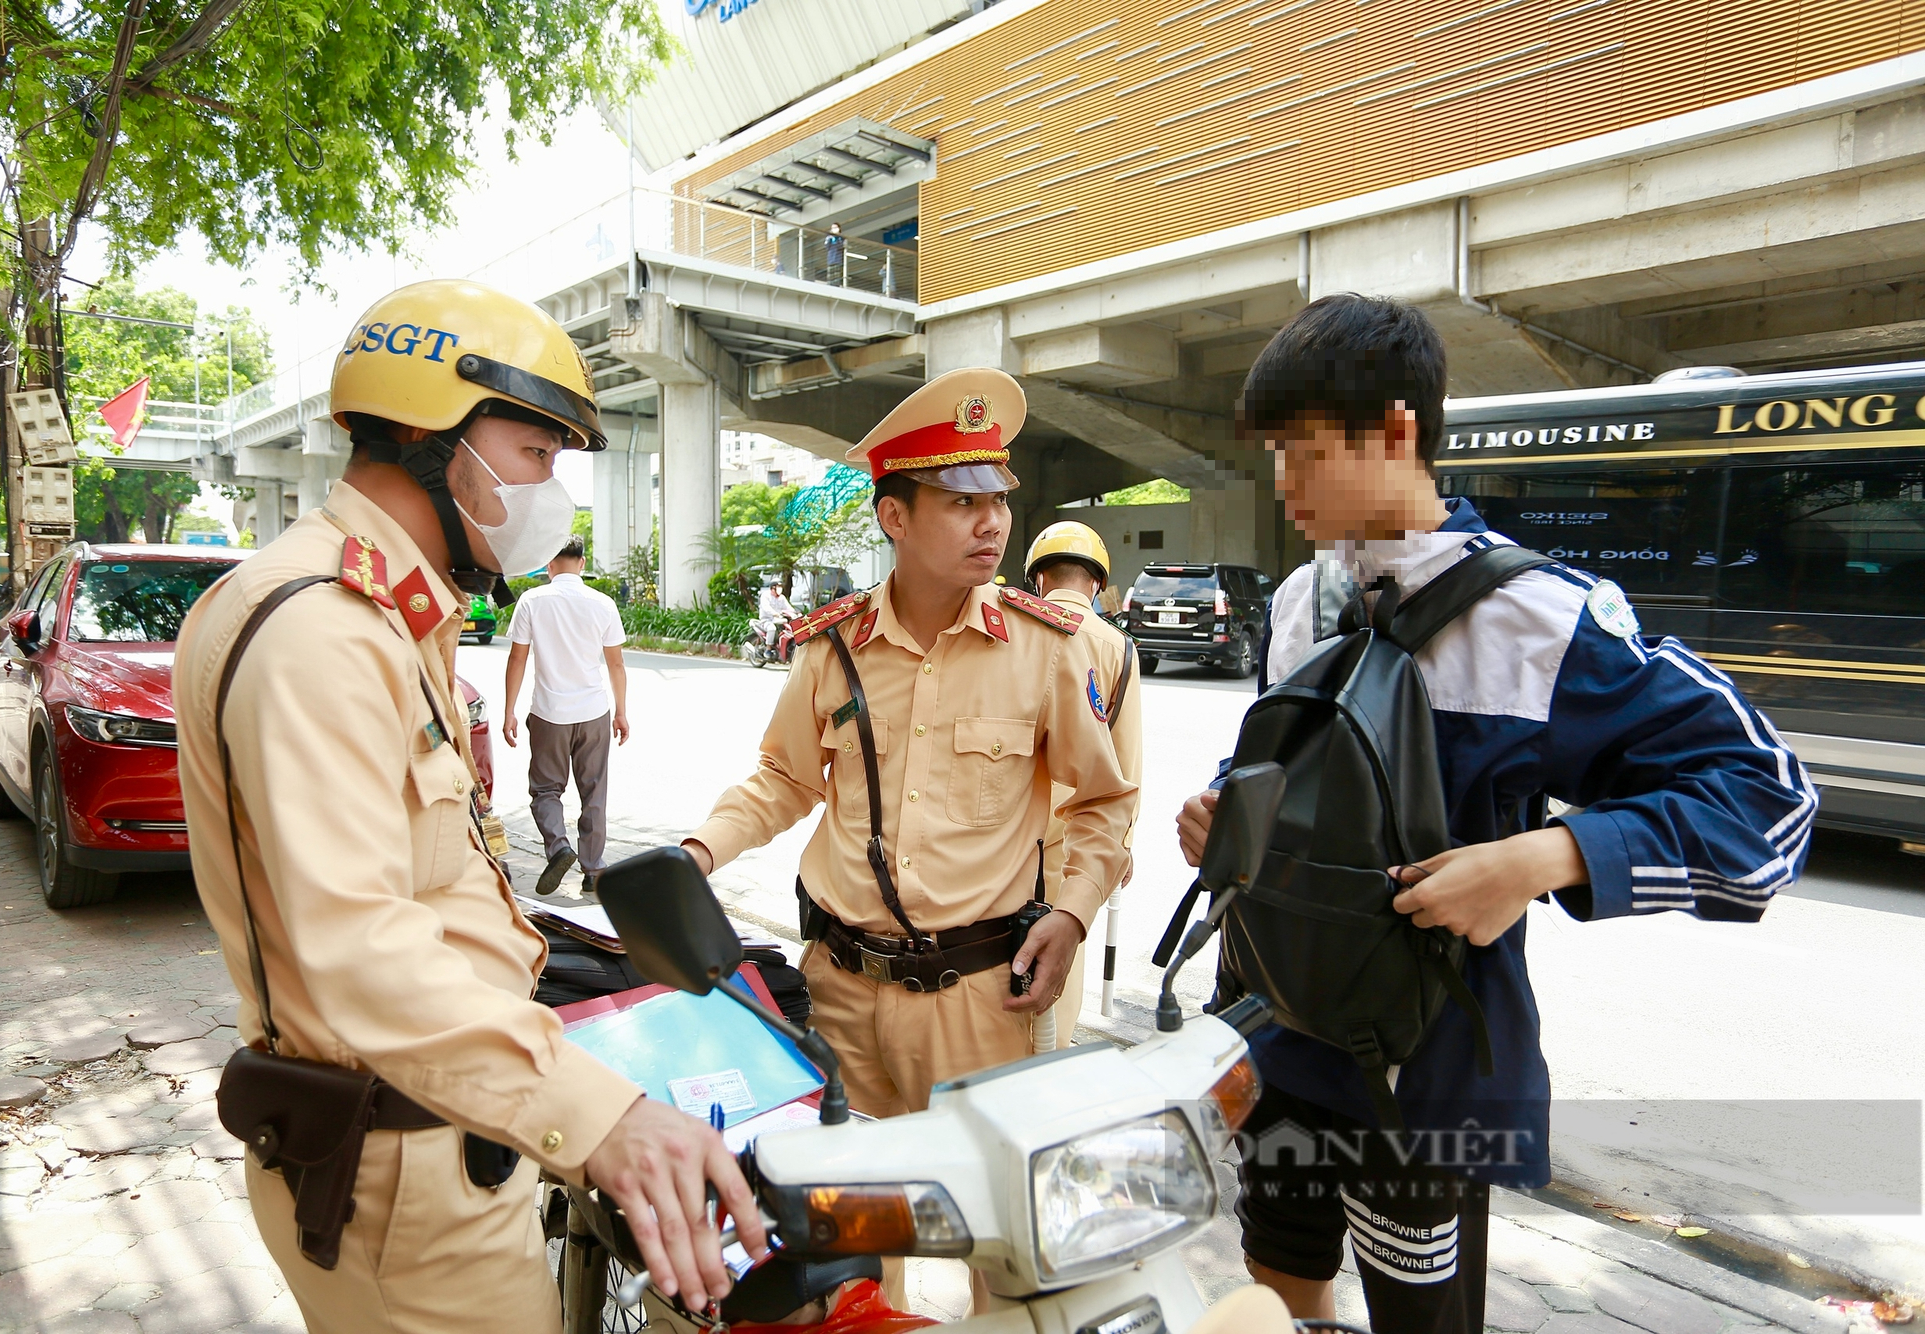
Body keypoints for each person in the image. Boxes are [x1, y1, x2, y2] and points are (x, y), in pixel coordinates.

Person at [1176, 294, 1814, 1333]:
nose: (1281, 483)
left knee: (1418, 1312)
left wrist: (1542, 854)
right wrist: (1223, 811)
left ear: (1394, 431)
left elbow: (1765, 796)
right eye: (1273, 455)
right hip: (1275, 1031)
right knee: (1276, 1276)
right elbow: (1283, 765)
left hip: (1420, 1073)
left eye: (1302, 453)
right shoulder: (1299, 601)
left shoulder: (1539, 621)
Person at [173, 278, 764, 1332]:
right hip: (406, 1178)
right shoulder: (325, 628)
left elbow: (433, 878)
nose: (551, 491)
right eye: (535, 454)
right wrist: (599, 1117)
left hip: (442, 1130)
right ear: (428, 434)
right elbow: (355, 945)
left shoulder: (384, 609)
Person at [681, 368, 1136, 1309]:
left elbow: (1103, 801)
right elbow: (784, 778)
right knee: (855, 1235)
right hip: (841, 990)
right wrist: (699, 854)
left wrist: (1077, 912)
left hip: (977, 1000)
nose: (992, 524)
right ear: (893, 517)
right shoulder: (832, 647)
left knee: (1000, 1248)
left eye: (998, 500)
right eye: (960, 501)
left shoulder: (1046, 649)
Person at [1022, 520, 1144, 1048]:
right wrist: (1122, 846)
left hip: (1012, 836)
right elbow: (1126, 759)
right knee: (1059, 973)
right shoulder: (1119, 647)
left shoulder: (1019, 629)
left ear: (1039, 581)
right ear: (1095, 583)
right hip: (1079, 844)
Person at [503, 535, 629, 897]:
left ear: (548, 563)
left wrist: (510, 711)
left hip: (548, 712)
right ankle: (593, 870)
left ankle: (558, 847)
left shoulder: (532, 601)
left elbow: (517, 659)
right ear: (583, 563)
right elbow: (616, 663)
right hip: (593, 712)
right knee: (594, 791)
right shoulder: (603, 604)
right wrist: (621, 712)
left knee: (545, 789)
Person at [757, 577, 799, 662]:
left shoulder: (781, 598)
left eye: (781, 586)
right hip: (767, 620)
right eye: (778, 586)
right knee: (771, 628)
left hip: (779, 620)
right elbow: (766, 607)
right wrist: (774, 613)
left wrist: (796, 613)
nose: (780, 588)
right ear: (773, 588)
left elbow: (788, 607)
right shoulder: (765, 595)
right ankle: (768, 649)